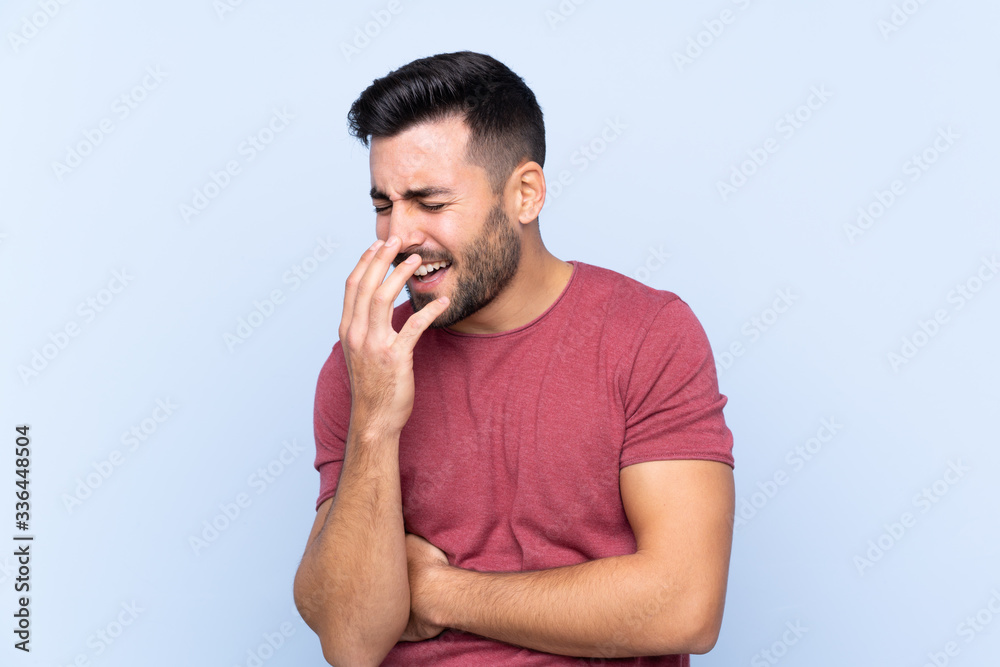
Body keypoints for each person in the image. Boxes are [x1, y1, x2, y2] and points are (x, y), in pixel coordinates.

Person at [292, 50, 735, 666]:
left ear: (525, 194)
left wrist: (442, 593)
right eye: (383, 204)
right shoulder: (366, 362)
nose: (398, 238)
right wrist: (373, 419)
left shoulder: (647, 335)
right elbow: (350, 640)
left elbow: (685, 606)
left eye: (430, 202)